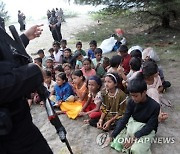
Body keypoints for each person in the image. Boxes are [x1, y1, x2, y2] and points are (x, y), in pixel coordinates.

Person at [0, 24, 53, 153]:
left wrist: (24, 38)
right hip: (8, 135)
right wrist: (34, 73)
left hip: (19, 122)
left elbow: (5, 59)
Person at [109, 77, 160, 154]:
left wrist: (134, 137)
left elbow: (150, 126)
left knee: (136, 150)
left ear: (144, 92)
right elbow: (125, 118)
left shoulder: (155, 106)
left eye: (136, 96)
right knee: (117, 144)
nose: (133, 98)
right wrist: (113, 135)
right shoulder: (131, 102)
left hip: (146, 129)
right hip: (133, 125)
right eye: (131, 95)